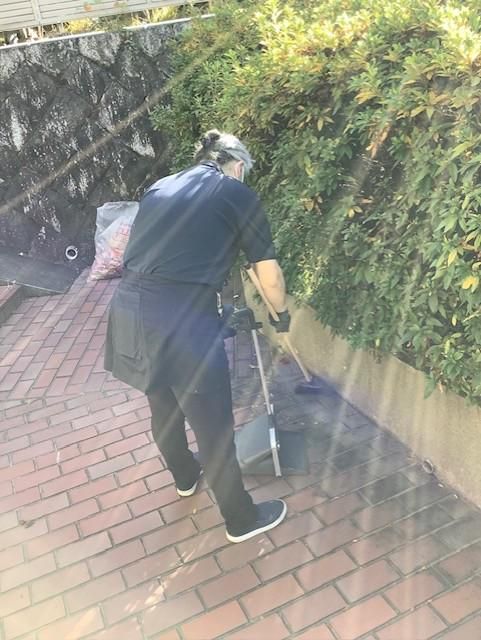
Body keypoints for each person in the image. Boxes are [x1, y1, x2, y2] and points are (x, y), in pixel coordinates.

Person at [104, 129, 291, 543]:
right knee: (213, 423)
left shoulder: (160, 187)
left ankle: (185, 476)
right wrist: (282, 317)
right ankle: (241, 519)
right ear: (237, 166)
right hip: (183, 318)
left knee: (162, 401)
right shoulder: (236, 193)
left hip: (129, 308)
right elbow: (270, 277)